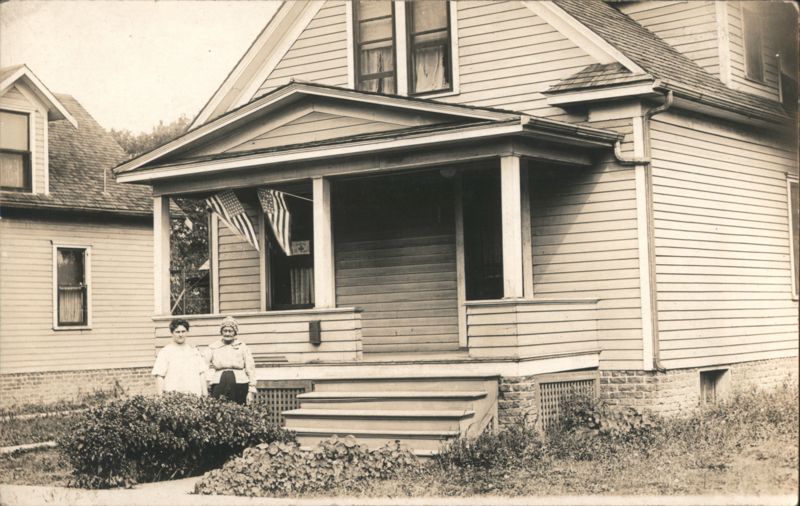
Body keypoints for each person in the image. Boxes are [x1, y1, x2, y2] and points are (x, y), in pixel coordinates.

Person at [204, 316, 257, 404]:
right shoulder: (213, 347)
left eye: (230, 331)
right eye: (225, 331)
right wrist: (207, 382)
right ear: (221, 332)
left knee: (239, 409)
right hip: (219, 382)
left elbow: (250, 368)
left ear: (235, 332)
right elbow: (203, 366)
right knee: (218, 408)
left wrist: (251, 388)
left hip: (240, 383)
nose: (227, 334)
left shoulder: (242, 347)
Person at [152, 318, 207, 396]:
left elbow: (201, 373)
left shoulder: (194, 351)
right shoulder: (165, 352)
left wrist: (205, 395)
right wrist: (160, 397)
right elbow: (159, 376)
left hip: (194, 395)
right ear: (172, 333)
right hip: (174, 397)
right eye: (177, 332)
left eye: (183, 331)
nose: (181, 335)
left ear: (187, 332)